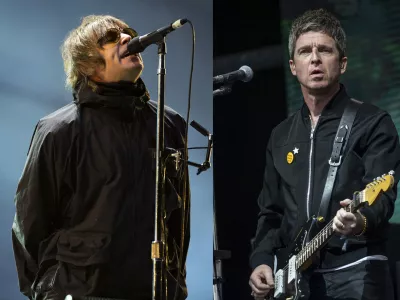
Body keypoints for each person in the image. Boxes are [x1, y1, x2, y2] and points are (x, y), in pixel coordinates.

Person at [11, 15, 190, 300]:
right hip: (83, 291)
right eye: (110, 38)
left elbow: (179, 223)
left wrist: (175, 285)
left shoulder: (169, 124)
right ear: (87, 65)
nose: (126, 38)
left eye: (127, 32)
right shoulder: (57, 130)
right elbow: (30, 226)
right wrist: (52, 293)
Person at [248, 8, 400, 300]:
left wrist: (360, 220)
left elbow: (382, 195)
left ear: (342, 63)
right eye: (305, 51)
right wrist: (262, 260)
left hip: (358, 269)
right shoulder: (281, 135)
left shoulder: (373, 122)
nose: (315, 59)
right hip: (301, 281)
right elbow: (271, 211)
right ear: (293, 66)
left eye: (325, 50)